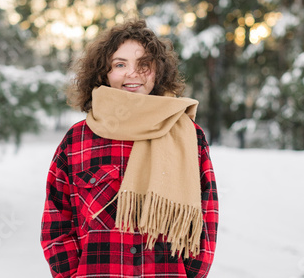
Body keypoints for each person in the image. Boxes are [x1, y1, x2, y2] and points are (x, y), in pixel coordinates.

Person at [40, 19, 218, 278]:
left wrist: (190, 274)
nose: (132, 74)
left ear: (158, 72)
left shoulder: (188, 134)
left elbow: (207, 215)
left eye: (144, 64)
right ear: (104, 73)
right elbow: (57, 220)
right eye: (120, 64)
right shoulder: (77, 139)